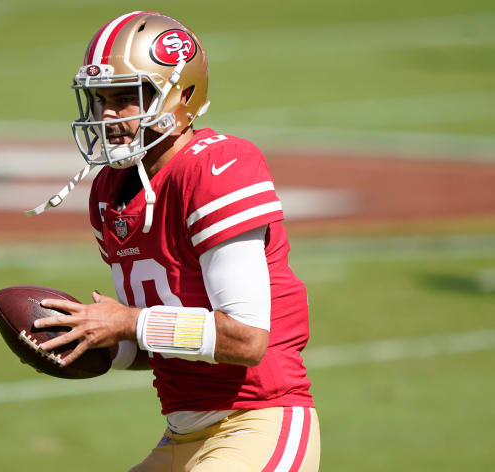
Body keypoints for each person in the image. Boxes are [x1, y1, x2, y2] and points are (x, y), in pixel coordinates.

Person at [27, 11, 320, 472]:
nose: (106, 114)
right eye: (100, 97)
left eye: (125, 97)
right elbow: (160, 336)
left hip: (258, 420)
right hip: (183, 432)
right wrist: (93, 339)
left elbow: (245, 340)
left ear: (182, 94)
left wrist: (126, 321)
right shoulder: (110, 188)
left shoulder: (218, 167)